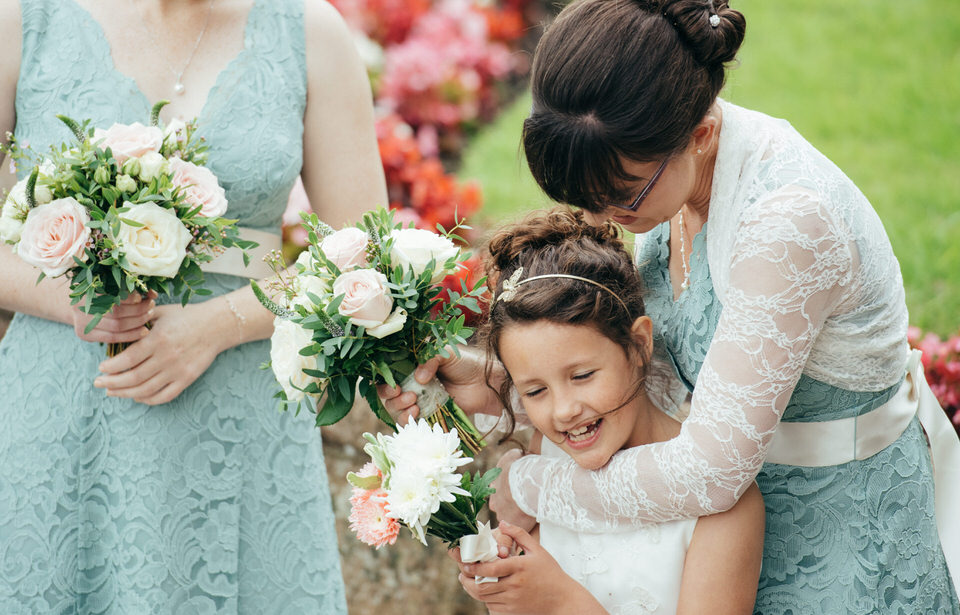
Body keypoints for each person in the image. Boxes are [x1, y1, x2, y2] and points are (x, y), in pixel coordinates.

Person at [381, 0, 960, 611]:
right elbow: (649, 370)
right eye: (585, 198)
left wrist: (528, 483)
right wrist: (499, 386)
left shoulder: (788, 226)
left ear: (700, 133)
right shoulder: (667, 176)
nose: (601, 220)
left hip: (833, 543)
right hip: (705, 546)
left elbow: (710, 473)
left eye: (620, 200)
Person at [0, 0, 387, 612]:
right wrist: (70, 301)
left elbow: (362, 252)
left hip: (242, 397)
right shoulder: (22, 22)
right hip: (62, 398)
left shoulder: (309, 31)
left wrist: (217, 326)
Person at [453, 207, 764, 614]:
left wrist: (559, 601)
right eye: (535, 390)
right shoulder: (547, 456)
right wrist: (502, 586)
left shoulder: (722, 505)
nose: (563, 411)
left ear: (639, 346)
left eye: (582, 376)